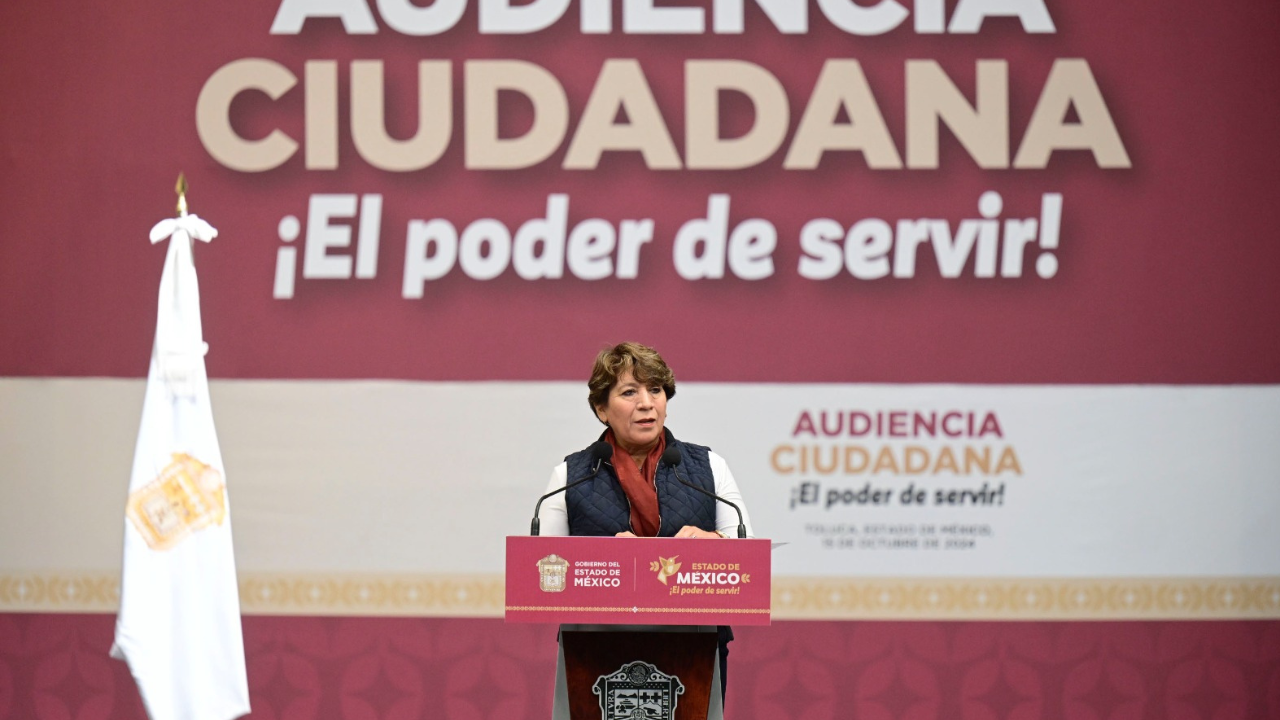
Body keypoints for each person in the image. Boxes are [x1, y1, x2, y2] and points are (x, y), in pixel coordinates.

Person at [539, 341, 754, 703]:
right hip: (595, 649)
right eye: (628, 392)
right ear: (601, 409)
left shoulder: (708, 467)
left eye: (655, 390)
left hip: (694, 647)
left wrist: (713, 543)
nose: (646, 403)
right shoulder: (570, 475)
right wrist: (608, 561)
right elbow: (544, 571)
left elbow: (746, 555)